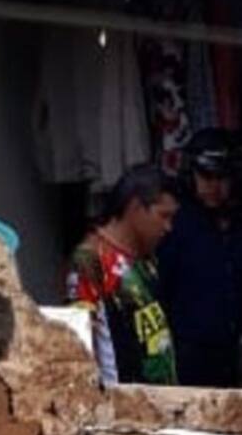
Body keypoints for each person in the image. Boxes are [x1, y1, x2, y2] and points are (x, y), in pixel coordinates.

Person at [157, 129, 242, 387]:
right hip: (187, 352)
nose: (213, 187)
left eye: (221, 178)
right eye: (205, 177)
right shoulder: (176, 224)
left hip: (235, 349)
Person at [66, 164, 180, 386]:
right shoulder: (90, 260)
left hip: (160, 402)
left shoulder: (145, 256)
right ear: (136, 208)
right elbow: (79, 344)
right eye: (163, 216)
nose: (169, 227)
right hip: (123, 406)